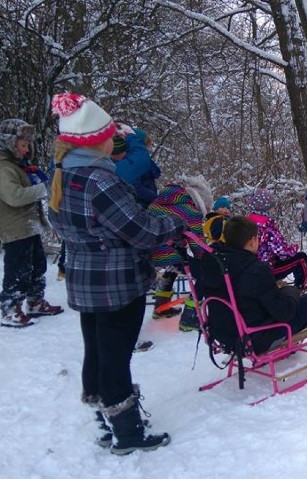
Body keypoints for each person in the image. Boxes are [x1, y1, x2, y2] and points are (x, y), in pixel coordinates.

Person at [47, 92, 186, 455]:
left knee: (97, 348)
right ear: (96, 140)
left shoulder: (63, 175)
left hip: (85, 278)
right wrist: (173, 223)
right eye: (110, 134)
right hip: (116, 283)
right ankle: (126, 432)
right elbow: (139, 229)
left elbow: (63, 225)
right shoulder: (100, 181)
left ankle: (104, 416)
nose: (115, 139)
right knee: (116, 355)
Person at [206, 215, 307, 361]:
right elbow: (284, 312)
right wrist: (292, 292)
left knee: (277, 295)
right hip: (256, 338)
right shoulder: (256, 270)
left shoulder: (213, 264)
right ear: (252, 241)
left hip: (226, 335)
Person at [0, 118, 64, 328]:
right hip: (14, 228)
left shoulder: (15, 165)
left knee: (37, 265)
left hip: (27, 225)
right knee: (18, 269)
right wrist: (44, 188)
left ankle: (35, 301)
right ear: (10, 144)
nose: (27, 150)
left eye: (28, 145)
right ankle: (10, 309)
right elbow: (14, 196)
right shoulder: (1, 168)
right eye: (23, 145)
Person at [148, 176, 213, 326]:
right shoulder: (192, 212)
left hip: (149, 250)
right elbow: (198, 246)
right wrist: (207, 259)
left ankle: (160, 307)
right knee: (204, 274)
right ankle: (190, 317)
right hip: (168, 252)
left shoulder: (160, 201)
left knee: (173, 268)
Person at [246, 188, 307, 291]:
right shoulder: (267, 227)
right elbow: (282, 251)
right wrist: (293, 248)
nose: (274, 209)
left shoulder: (247, 222)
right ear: (265, 209)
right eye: (272, 207)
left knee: (276, 257)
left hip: (252, 267)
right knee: (301, 258)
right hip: (266, 271)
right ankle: (302, 287)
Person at [113, 126, 161, 206]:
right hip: (140, 204)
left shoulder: (133, 161)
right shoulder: (130, 163)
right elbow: (135, 187)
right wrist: (156, 199)